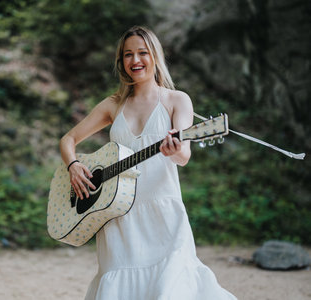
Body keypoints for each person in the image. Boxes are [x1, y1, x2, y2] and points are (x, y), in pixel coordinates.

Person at [59, 26, 237, 300]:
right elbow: (68, 139)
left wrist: (173, 150)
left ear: (155, 56)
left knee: (171, 286)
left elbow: (183, 157)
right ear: (121, 62)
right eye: (128, 54)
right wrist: (73, 166)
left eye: (142, 52)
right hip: (118, 217)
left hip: (164, 212)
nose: (135, 60)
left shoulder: (177, 100)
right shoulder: (113, 105)